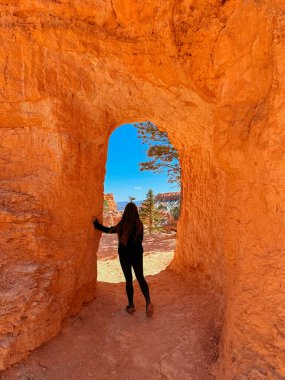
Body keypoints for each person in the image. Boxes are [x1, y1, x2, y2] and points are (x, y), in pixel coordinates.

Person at [93, 202, 154, 317]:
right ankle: (148, 302)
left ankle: (131, 305)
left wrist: (96, 225)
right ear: (136, 212)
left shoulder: (122, 224)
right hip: (137, 254)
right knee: (140, 278)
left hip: (124, 255)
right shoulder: (139, 224)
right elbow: (140, 240)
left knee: (129, 280)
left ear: (125, 212)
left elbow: (108, 230)